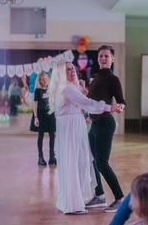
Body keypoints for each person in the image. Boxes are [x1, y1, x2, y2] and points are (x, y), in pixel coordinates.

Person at [47, 60, 123, 214]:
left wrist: (82, 90)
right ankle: (73, 204)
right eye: (68, 70)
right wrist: (110, 107)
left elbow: (81, 103)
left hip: (70, 127)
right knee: (75, 162)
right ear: (61, 73)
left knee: (75, 162)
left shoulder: (66, 87)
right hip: (72, 128)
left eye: (72, 68)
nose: (72, 71)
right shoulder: (68, 89)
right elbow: (87, 103)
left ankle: (76, 199)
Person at [86, 45, 126, 212]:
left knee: (102, 163)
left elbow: (121, 101)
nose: (103, 58)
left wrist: (120, 107)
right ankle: (99, 195)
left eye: (106, 56)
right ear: (98, 58)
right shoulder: (95, 78)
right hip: (94, 124)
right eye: (101, 56)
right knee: (92, 161)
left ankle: (120, 198)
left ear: (112, 59)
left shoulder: (113, 79)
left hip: (105, 123)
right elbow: (90, 101)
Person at [31, 72, 56, 166]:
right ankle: (40, 157)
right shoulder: (37, 91)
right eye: (41, 79)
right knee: (40, 135)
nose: (43, 81)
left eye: (45, 79)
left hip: (51, 114)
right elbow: (35, 104)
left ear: (48, 79)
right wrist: (36, 117)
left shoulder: (52, 89)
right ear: (39, 81)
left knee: (52, 135)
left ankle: (52, 157)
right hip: (41, 115)